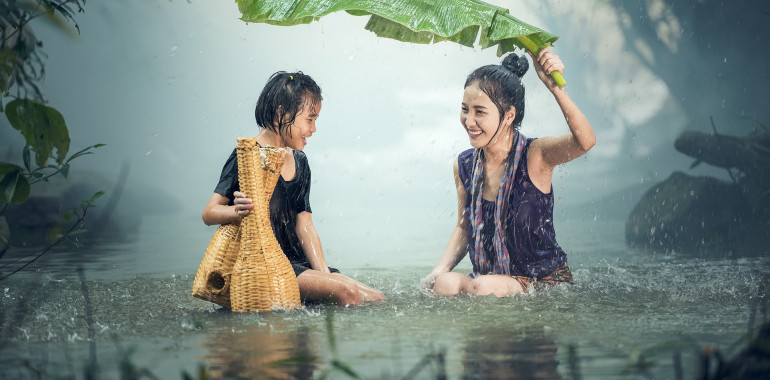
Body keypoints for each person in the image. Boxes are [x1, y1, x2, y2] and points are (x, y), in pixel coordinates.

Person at [202, 71, 385, 307]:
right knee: (347, 292)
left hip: (298, 263)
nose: (314, 128)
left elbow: (305, 225)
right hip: (268, 265)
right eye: (310, 119)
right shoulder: (248, 156)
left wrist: (325, 275)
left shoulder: (299, 160)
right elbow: (209, 213)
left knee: (375, 298)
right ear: (282, 112)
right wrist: (235, 212)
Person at [423, 48, 596, 297]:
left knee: (483, 286)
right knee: (445, 284)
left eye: (479, 112)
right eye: (465, 109)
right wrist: (438, 270)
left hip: (543, 281)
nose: (468, 121)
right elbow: (464, 227)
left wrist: (554, 87)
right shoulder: (465, 165)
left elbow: (585, 141)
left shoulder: (535, 156)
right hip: (490, 280)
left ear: (508, 116)